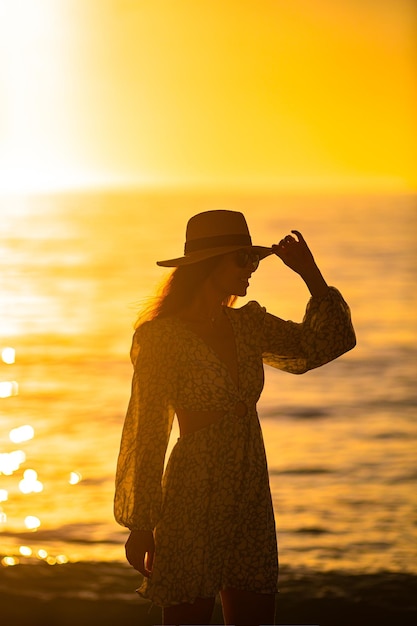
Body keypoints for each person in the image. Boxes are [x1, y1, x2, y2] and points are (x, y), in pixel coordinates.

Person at [114, 209, 356, 626]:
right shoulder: (162, 338)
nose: (253, 269)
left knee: (256, 614)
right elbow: (147, 427)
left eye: (255, 259)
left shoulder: (248, 326)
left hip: (250, 489)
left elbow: (325, 344)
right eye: (243, 259)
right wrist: (141, 522)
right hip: (194, 491)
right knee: (187, 614)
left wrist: (310, 275)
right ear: (210, 264)